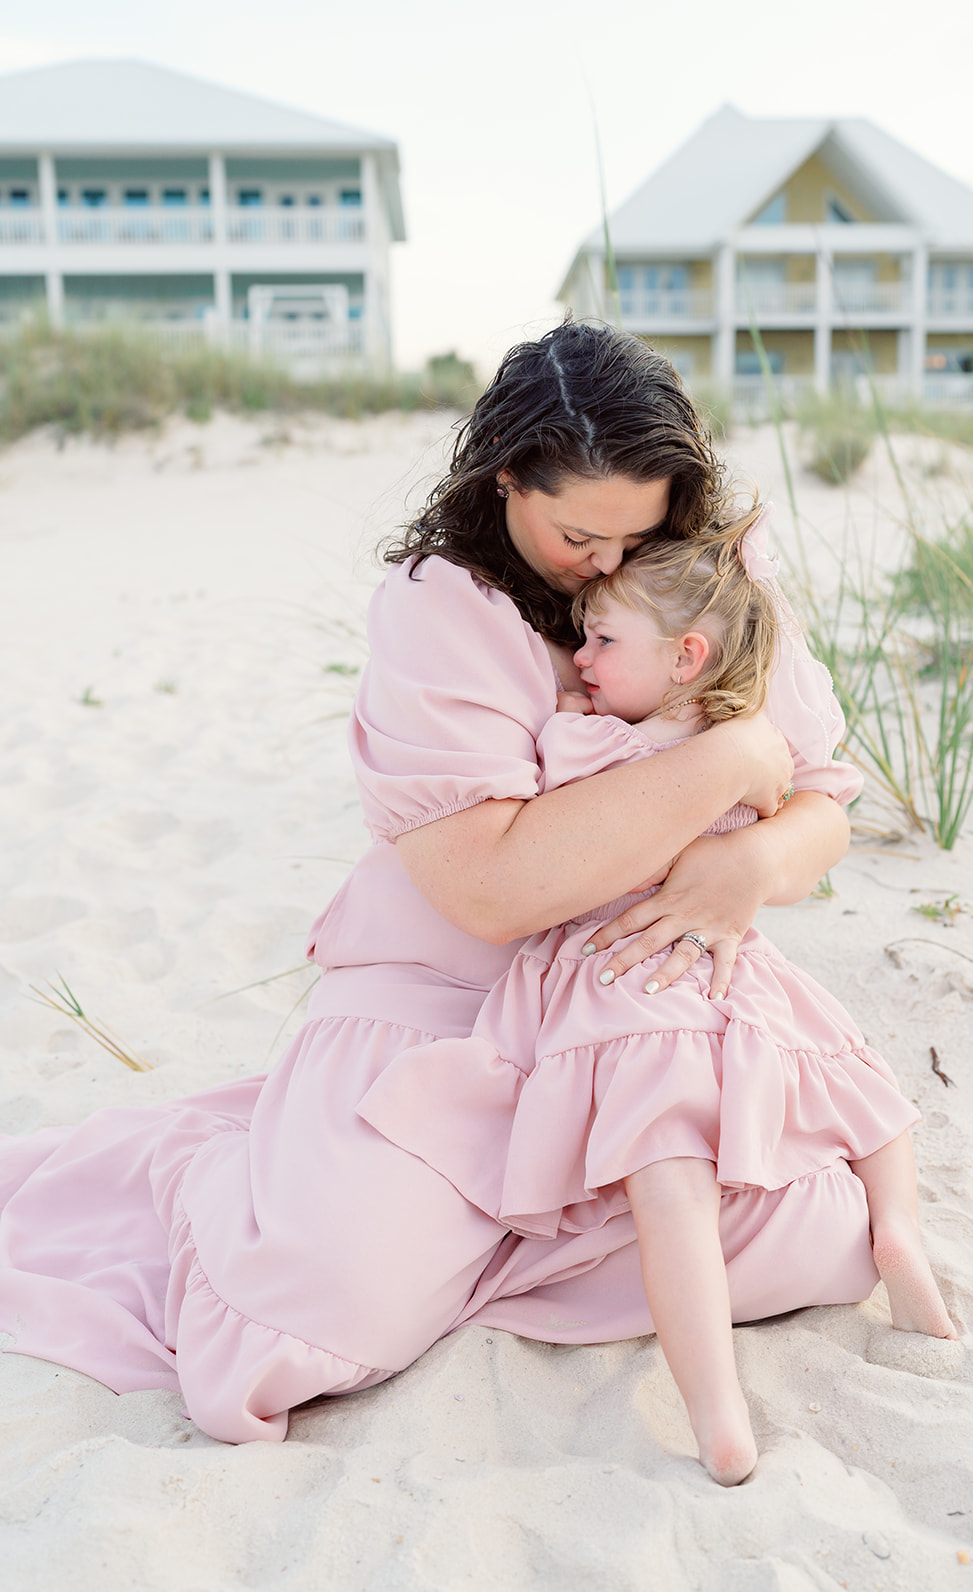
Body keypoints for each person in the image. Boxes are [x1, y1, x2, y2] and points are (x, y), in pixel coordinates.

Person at [1, 322, 885, 1447]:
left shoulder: (709, 588)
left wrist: (754, 856)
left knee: (829, 1237)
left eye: (640, 533)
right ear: (508, 476)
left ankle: (480, 1234)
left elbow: (821, 808)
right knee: (307, 1320)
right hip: (443, 1001)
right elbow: (492, 892)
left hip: (630, 1003)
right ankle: (272, 1176)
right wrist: (721, 761)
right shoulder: (440, 606)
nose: (609, 567)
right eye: (578, 535)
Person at [357, 533, 956, 1485]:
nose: (580, 659)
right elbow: (788, 804)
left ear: (685, 657)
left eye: (600, 641)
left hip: (618, 981)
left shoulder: (585, 736)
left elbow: (536, 815)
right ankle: (899, 1232)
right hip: (730, 968)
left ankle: (718, 1412)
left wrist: (562, 706)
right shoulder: (739, 736)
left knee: (669, 1183)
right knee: (859, 1084)